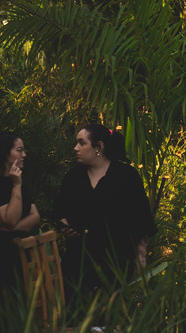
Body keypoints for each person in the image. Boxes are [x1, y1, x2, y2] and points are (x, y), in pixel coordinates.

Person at [56, 120, 155, 303]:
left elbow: (141, 219)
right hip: (77, 262)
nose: (76, 148)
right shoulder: (73, 177)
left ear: (98, 147)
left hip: (114, 262)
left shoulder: (126, 176)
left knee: (109, 315)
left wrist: (140, 255)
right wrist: (64, 225)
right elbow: (60, 210)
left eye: (82, 143)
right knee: (76, 315)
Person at [0, 130, 41, 328]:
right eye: (19, 150)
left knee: (19, 314)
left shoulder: (18, 179)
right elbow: (11, 218)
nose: (24, 155)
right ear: (4, 153)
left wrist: (14, 228)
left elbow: (35, 216)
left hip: (17, 255)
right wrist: (16, 185)